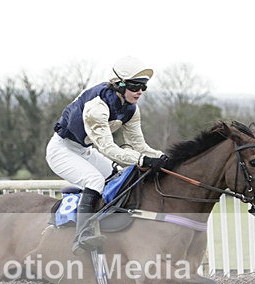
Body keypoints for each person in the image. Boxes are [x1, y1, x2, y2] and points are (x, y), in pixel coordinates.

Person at [46, 56, 168, 254]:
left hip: (84, 150)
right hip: (61, 150)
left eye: (144, 87)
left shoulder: (130, 109)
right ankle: (82, 236)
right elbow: (108, 149)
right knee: (94, 181)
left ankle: (113, 227)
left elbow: (139, 145)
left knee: (119, 177)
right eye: (135, 86)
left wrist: (163, 156)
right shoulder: (97, 107)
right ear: (118, 84)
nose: (139, 92)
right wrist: (142, 160)